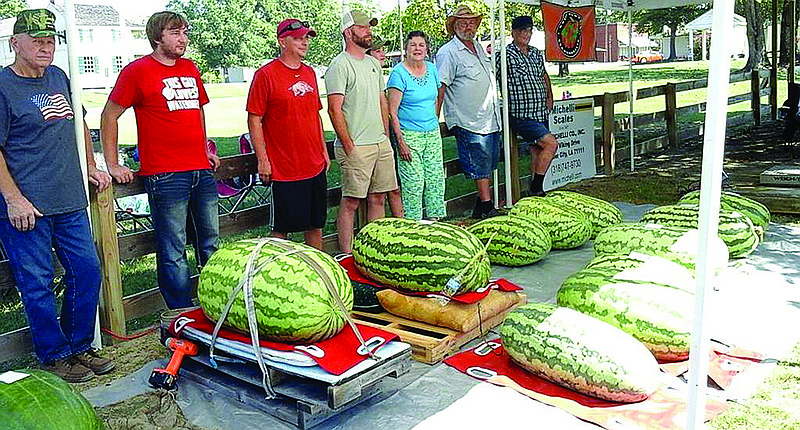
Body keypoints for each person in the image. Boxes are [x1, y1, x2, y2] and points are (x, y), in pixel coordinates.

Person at [0, 8, 114, 382]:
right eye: (37, 41)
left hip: (69, 199)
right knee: (37, 284)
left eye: (50, 41)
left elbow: (77, 122)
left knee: (87, 270)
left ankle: (80, 346)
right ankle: (53, 355)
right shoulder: (3, 87)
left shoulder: (60, 77)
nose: (45, 47)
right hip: (26, 208)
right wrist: (13, 199)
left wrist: (93, 165)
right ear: (15, 43)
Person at [101, 11, 219, 309]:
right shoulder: (137, 71)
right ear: (157, 37)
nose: (183, 38)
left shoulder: (190, 68)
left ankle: (216, 304)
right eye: (175, 33)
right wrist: (113, 164)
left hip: (200, 170)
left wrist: (204, 147)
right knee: (173, 249)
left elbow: (197, 109)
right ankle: (181, 313)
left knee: (210, 244)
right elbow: (109, 115)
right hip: (166, 174)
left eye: (185, 32)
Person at [246, 19, 330, 250]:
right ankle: (275, 276)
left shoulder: (310, 73)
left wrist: (323, 150)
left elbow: (316, 114)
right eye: (298, 38)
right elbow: (255, 119)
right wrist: (263, 159)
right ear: (282, 41)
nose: (304, 43)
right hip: (284, 168)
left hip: (314, 164)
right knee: (281, 230)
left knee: (315, 224)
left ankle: (317, 273)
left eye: (306, 38)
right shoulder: (266, 75)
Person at [326, 10, 398, 252]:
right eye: (363, 27)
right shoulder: (339, 65)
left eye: (369, 27)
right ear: (349, 32)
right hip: (356, 145)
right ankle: (346, 255)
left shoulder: (372, 64)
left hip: (380, 143)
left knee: (378, 197)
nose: (369, 31)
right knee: (351, 202)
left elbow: (382, 101)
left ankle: (373, 251)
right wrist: (349, 146)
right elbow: (334, 109)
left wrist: (386, 137)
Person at [436, 5, 501, 219]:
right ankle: (487, 205)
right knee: (479, 163)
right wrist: (434, 118)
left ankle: (481, 207)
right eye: (463, 23)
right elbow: (441, 86)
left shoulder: (478, 48)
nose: (468, 26)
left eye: (472, 22)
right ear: (454, 26)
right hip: (468, 119)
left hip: (488, 116)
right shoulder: (448, 52)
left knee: (488, 162)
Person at [387, 31, 446, 221]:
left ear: (427, 49)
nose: (417, 49)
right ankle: (413, 225)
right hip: (409, 134)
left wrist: (434, 120)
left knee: (436, 178)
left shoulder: (432, 69)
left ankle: (435, 221)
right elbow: (392, 112)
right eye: (413, 45)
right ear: (406, 49)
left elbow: (437, 97)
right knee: (414, 182)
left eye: (421, 45)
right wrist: (401, 142)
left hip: (431, 133)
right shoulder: (399, 73)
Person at [499, 16, 558, 197]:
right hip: (521, 113)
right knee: (551, 144)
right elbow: (494, 80)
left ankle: (534, 194)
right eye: (522, 31)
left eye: (529, 30)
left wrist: (549, 95)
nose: (526, 34)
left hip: (540, 110)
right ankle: (536, 187)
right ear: (514, 33)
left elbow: (543, 75)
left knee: (538, 150)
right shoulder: (505, 55)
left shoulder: (535, 53)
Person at [367, 37, 404, 219]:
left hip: (385, 140)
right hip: (369, 141)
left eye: (382, 50)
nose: (383, 54)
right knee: (376, 194)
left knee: (395, 189)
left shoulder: (380, 76)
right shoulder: (366, 77)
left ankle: (403, 226)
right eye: (377, 50)